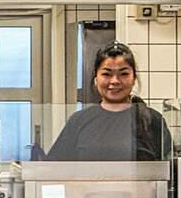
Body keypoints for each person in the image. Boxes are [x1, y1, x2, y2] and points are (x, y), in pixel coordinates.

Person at [45, 42, 173, 161]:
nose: (115, 81)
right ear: (96, 78)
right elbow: (54, 168)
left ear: (134, 78)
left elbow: (171, 169)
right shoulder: (79, 120)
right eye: (106, 74)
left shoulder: (152, 120)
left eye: (123, 74)